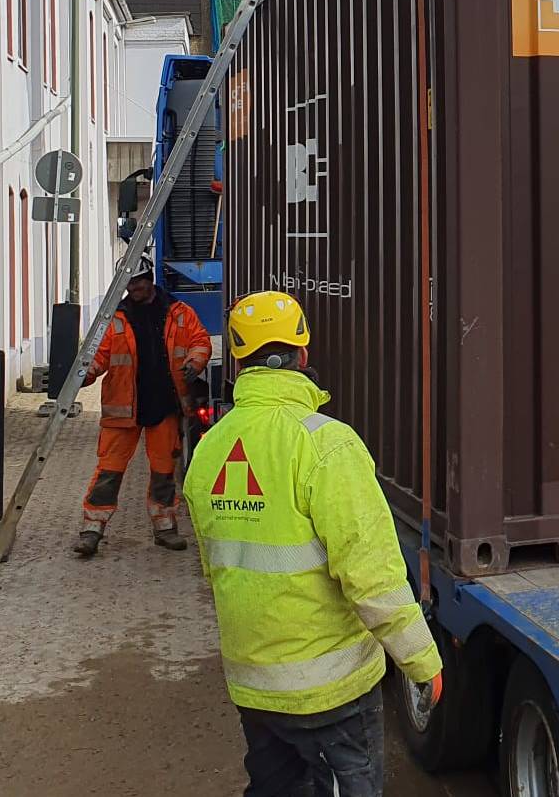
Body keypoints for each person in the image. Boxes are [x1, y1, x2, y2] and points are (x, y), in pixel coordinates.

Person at [183, 291, 442, 797]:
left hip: (253, 686)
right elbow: (373, 575)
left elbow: (215, 567)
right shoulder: (327, 444)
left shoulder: (211, 447)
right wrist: (421, 661)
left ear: (237, 361)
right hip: (332, 691)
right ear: (303, 355)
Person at [74, 261, 212, 558]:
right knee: (108, 472)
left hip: (165, 405)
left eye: (138, 282)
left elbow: (200, 341)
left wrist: (195, 362)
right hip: (123, 411)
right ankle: (91, 531)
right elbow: (99, 356)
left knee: (163, 471)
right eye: (129, 284)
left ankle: (165, 528)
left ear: (150, 280)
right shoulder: (115, 319)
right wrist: (81, 375)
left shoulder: (179, 313)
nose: (134, 289)